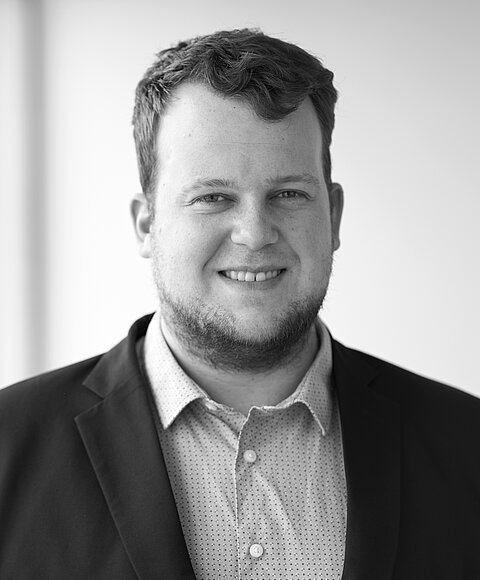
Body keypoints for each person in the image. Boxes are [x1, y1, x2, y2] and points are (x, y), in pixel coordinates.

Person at [0, 28, 479, 580]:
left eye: (289, 194)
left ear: (334, 216)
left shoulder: (466, 446)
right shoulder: (8, 448)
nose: (254, 234)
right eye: (213, 197)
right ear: (147, 224)